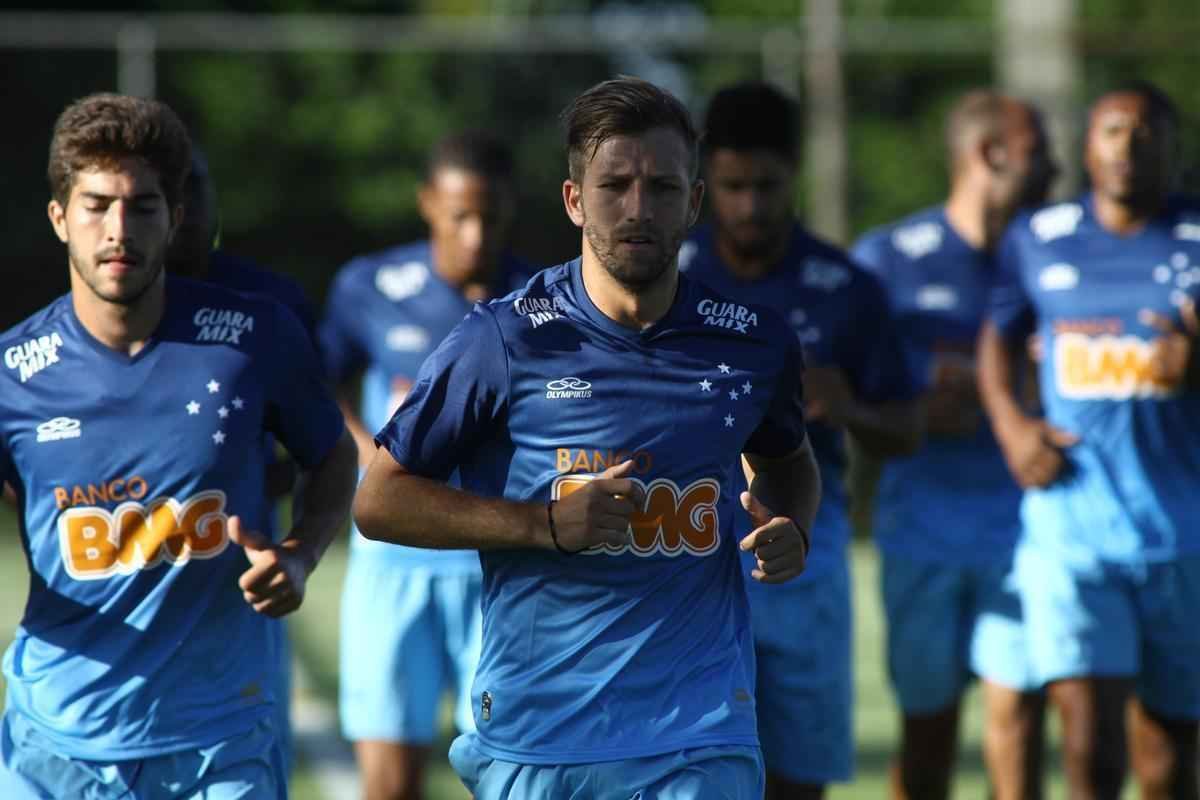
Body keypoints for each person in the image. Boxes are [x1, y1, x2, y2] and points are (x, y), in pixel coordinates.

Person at [351, 76, 820, 799]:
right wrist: (541, 524)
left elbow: (789, 463)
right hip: (542, 736)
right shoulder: (503, 339)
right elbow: (379, 501)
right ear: (575, 200)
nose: (639, 209)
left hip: (699, 733)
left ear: (694, 203)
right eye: (615, 185)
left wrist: (792, 527)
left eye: (663, 187)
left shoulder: (754, 344)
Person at [0, 93, 357, 799]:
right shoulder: (12, 373)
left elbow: (333, 453)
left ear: (178, 217)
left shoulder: (255, 340)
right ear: (58, 217)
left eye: (142, 206)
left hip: (218, 742)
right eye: (96, 204)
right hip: (56, 744)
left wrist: (303, 552)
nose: (118, 229)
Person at [679, 80, 922, 800]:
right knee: (694, 769)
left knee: (797, 775)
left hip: (810, 546)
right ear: (703, 183)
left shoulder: (846, 287)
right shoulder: (668, 277)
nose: (750, 204)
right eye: (732, 186)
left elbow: (905, 429)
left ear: (795, 176)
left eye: (767, 185)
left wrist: (848, 406)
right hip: (692, 543)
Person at [978, 82, 1200, 800]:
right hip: (1072, 532)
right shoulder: (1038, 238)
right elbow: (997, 342)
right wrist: (1014, 430)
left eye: (1144, 132)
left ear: (1173, 146)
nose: (1127, 146)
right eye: (1111, 130)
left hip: (1182, 536)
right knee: (1088, 738)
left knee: (1165, 752)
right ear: (1086, 146)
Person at [853, 89, 1057, 800]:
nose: (1056, 167)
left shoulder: (1054, 254)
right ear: (989, 154)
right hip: (922, 533)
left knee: (1019, 718)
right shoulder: (886, 261)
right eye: (1039, 152)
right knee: (929, 738)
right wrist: (908, 404)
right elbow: (835, 381)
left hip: (1024, 528)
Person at [321, 130, 525, 800]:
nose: (474, 233)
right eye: (459, 214)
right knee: (389, 782)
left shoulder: (540, 300)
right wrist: (369, 458)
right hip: (393, 568)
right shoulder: (369, 287)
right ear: (429, 205)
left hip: (495, 569)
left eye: (489, 216)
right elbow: (324, 383)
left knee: (506, 774)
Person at [166, 146, 323, 776]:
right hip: (121, 570)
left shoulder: (268, 304)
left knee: (252, 747)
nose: (184, 212)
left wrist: (298, 543)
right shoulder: (98, 311)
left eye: (195, 190)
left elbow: (322, 445)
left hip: (240, 567)